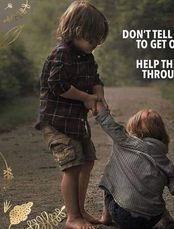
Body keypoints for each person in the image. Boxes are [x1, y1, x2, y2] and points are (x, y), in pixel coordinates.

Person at [34, 1, 109, 229]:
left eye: (99, 39)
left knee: (87, 161)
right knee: (72, 164)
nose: (96, 44)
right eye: (93, 38)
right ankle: (72, 217)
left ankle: (80, 209)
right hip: (56, 123)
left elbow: (95, 79)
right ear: (77, 31)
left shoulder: (87, 57)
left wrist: (99, 97)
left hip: (76, 123)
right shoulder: (61, 54)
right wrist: (86, 99)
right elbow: (57, 84)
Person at [94, 102, 174, 229]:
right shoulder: (163, 159)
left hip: (124, 217)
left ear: (134, 128)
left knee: (111, 175)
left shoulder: (125, 141)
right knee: (150, 192)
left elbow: (108, 122)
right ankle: (168, 220)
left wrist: (99, 105)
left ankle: (106, 218)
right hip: (152, 219)